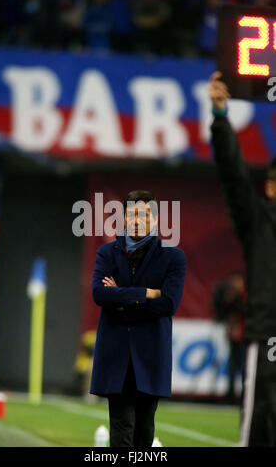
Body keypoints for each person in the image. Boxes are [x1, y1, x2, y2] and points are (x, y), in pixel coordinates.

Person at [209, 71, 276, 446]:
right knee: (255, 435)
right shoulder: (257, 220)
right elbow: (233, 177)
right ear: (270, 187)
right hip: (266, 340)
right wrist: (220, 118)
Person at [90, 190, 186, 447]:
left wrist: (121, 299)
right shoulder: (107, 253)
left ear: (155, 220)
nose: (136, 221)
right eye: (131, 215)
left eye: (143, 215)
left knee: (144, 432)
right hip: (116, 355)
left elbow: (167, 303)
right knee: (121, 431)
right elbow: (99, 294)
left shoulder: (173, 257)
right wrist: (145, 293)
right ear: (123, 219)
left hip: (151, 356)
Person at [213, 271, 246, 403]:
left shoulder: (246, 297)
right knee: (233, 367)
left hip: (245, 338)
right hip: (234, 337)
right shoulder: (229, 297)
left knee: (244, 368)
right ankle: (230, 394)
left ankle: (245, 395)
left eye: (236, 281)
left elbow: (247, 312)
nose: (234, 285)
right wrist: (226, 301)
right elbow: (220, 313)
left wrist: (235, 301)